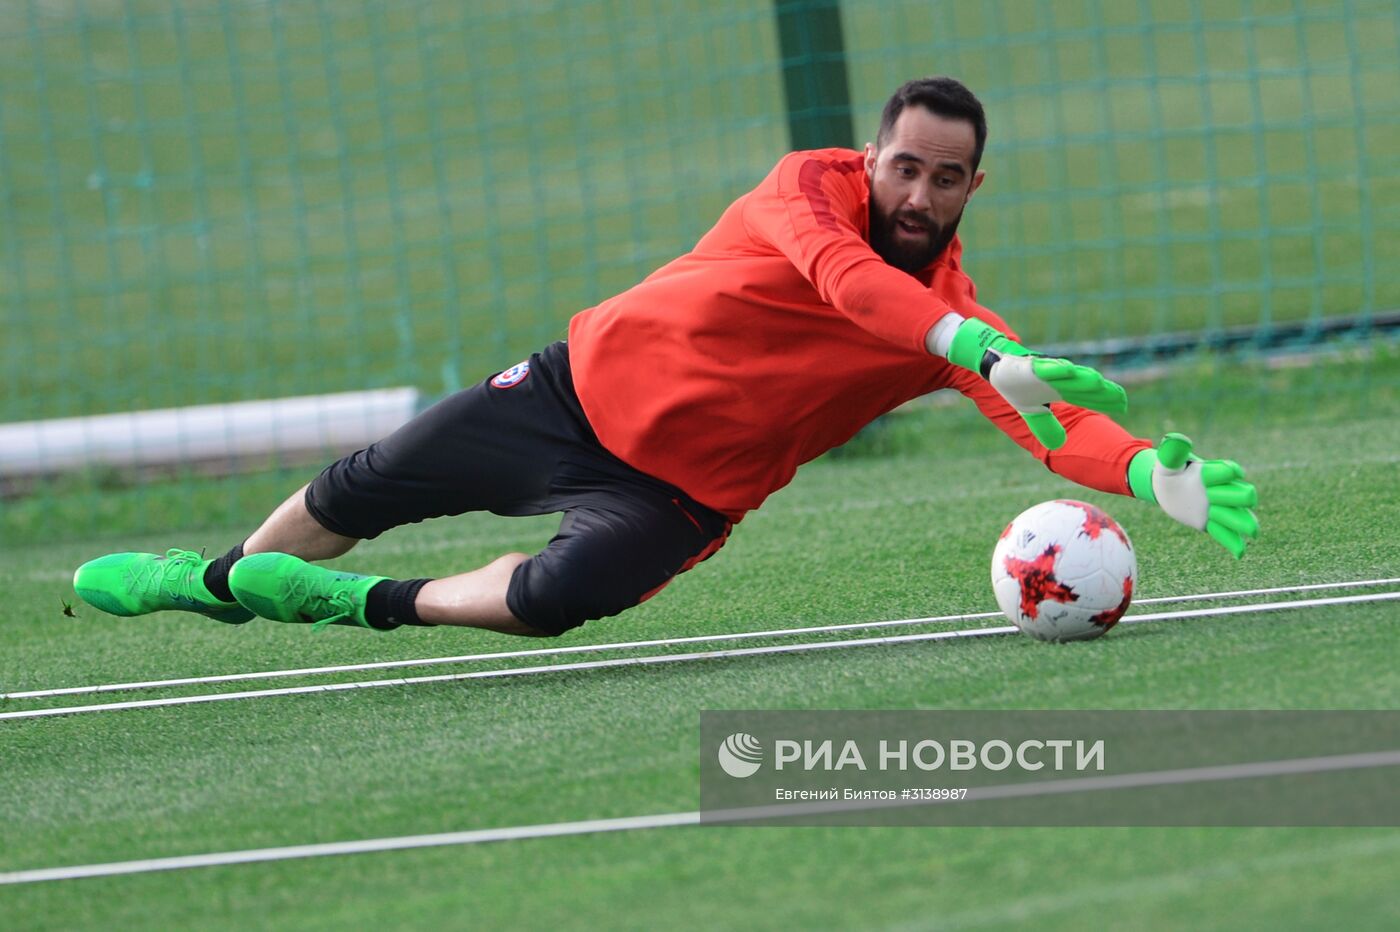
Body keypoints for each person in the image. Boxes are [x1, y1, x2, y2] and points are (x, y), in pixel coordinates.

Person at [73, 77, 1259, 638]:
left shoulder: (959, 316)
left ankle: (357, 604)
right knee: (360, 485)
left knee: (552, 602)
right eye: (904, 165)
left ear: (971, 186)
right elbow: (845, 282)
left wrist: (1148, 474)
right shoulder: (808, 189)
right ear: (873, 154)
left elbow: (1052, 424)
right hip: (568, 392)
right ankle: (217, 579)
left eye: (945, 176)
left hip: (679, 494)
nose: (918, 190)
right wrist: (965, 342)